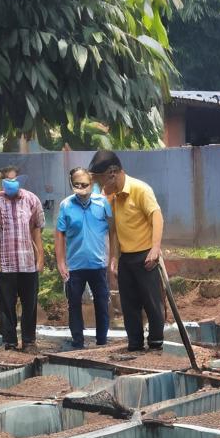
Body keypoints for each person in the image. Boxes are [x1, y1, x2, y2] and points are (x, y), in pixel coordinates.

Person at [88, 149, 164, 351]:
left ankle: (156, 345)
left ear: (112, 173)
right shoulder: (113, 197)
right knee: (129, 305)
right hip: (126, 258)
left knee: (152, 303)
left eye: (100, 180)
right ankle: (135, 345)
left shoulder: (140, 189)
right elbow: (114, 230)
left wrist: (155, 248)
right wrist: (114, 256)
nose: (99, 185)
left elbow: (157, 216)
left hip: (145, 255)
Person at [0, 166, 44, 351]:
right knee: (6, 304)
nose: (11, 184)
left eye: (14, 180)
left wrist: (40, 257)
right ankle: (9, 341)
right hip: (6, 262)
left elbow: (36, 229)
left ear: (20, 180)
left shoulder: (31, 199)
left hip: (27, 263)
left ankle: (29, 341)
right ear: (2, 182)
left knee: (30, 303)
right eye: (7, 180)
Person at [56, 167, 113, 349]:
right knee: (74, 304)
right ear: (71, 184)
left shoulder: (103, 203)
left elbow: (113, 232)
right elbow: (59, 235)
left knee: (102, 302)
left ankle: (102, 341)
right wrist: (61, 263)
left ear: (92, 183)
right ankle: (78, 342)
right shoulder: (65, 205)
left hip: (98, 264)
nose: (81, 187)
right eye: (77, 184)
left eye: (85, 184)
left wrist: (113, 258)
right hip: (75, 266)